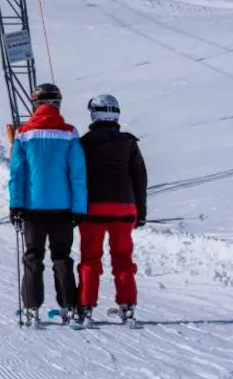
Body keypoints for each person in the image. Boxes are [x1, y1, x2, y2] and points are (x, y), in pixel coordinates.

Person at [8, 83, 87, 326]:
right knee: (62, 256)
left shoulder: (24, 133)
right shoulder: (69, 132)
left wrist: (15, 205)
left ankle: (32, 308)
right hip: (63, 208)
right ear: (57, 104)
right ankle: (68, 307)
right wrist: (79, 208)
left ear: (35, 104)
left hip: (32, 208)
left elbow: (17, 173)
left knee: (33, 256)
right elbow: (77, 173)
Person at [75, 94, 147, 327]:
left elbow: (76, 177)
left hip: (92, 209)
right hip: (124, 208)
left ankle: (85, 306)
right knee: (123, 258)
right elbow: (139, 178)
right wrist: (141, 213)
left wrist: (75, 209)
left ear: (94, 114)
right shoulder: (129, 143)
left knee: (90, 258)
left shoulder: (84, 143)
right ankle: (127, 307)